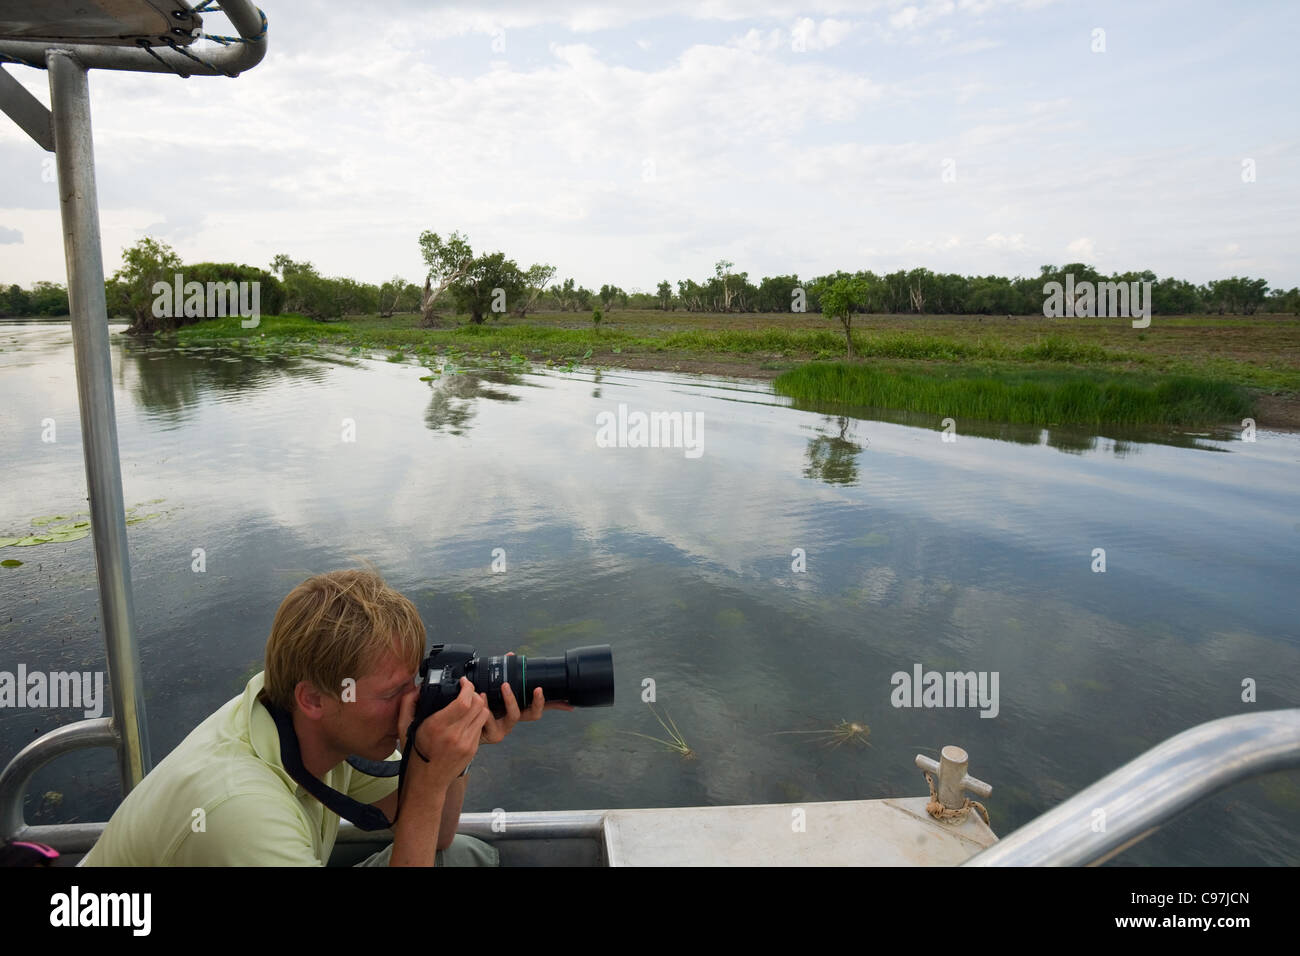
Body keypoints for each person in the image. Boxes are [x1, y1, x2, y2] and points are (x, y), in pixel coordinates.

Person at [81, 567, 567, 866]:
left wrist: (454, 754)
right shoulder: (240, 812)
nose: (412, 704)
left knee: (459, 857)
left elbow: (435, 836)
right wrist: (430, 772)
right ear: (314, 699)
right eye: (392, 693)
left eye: (413, 685)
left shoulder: (294, 717)